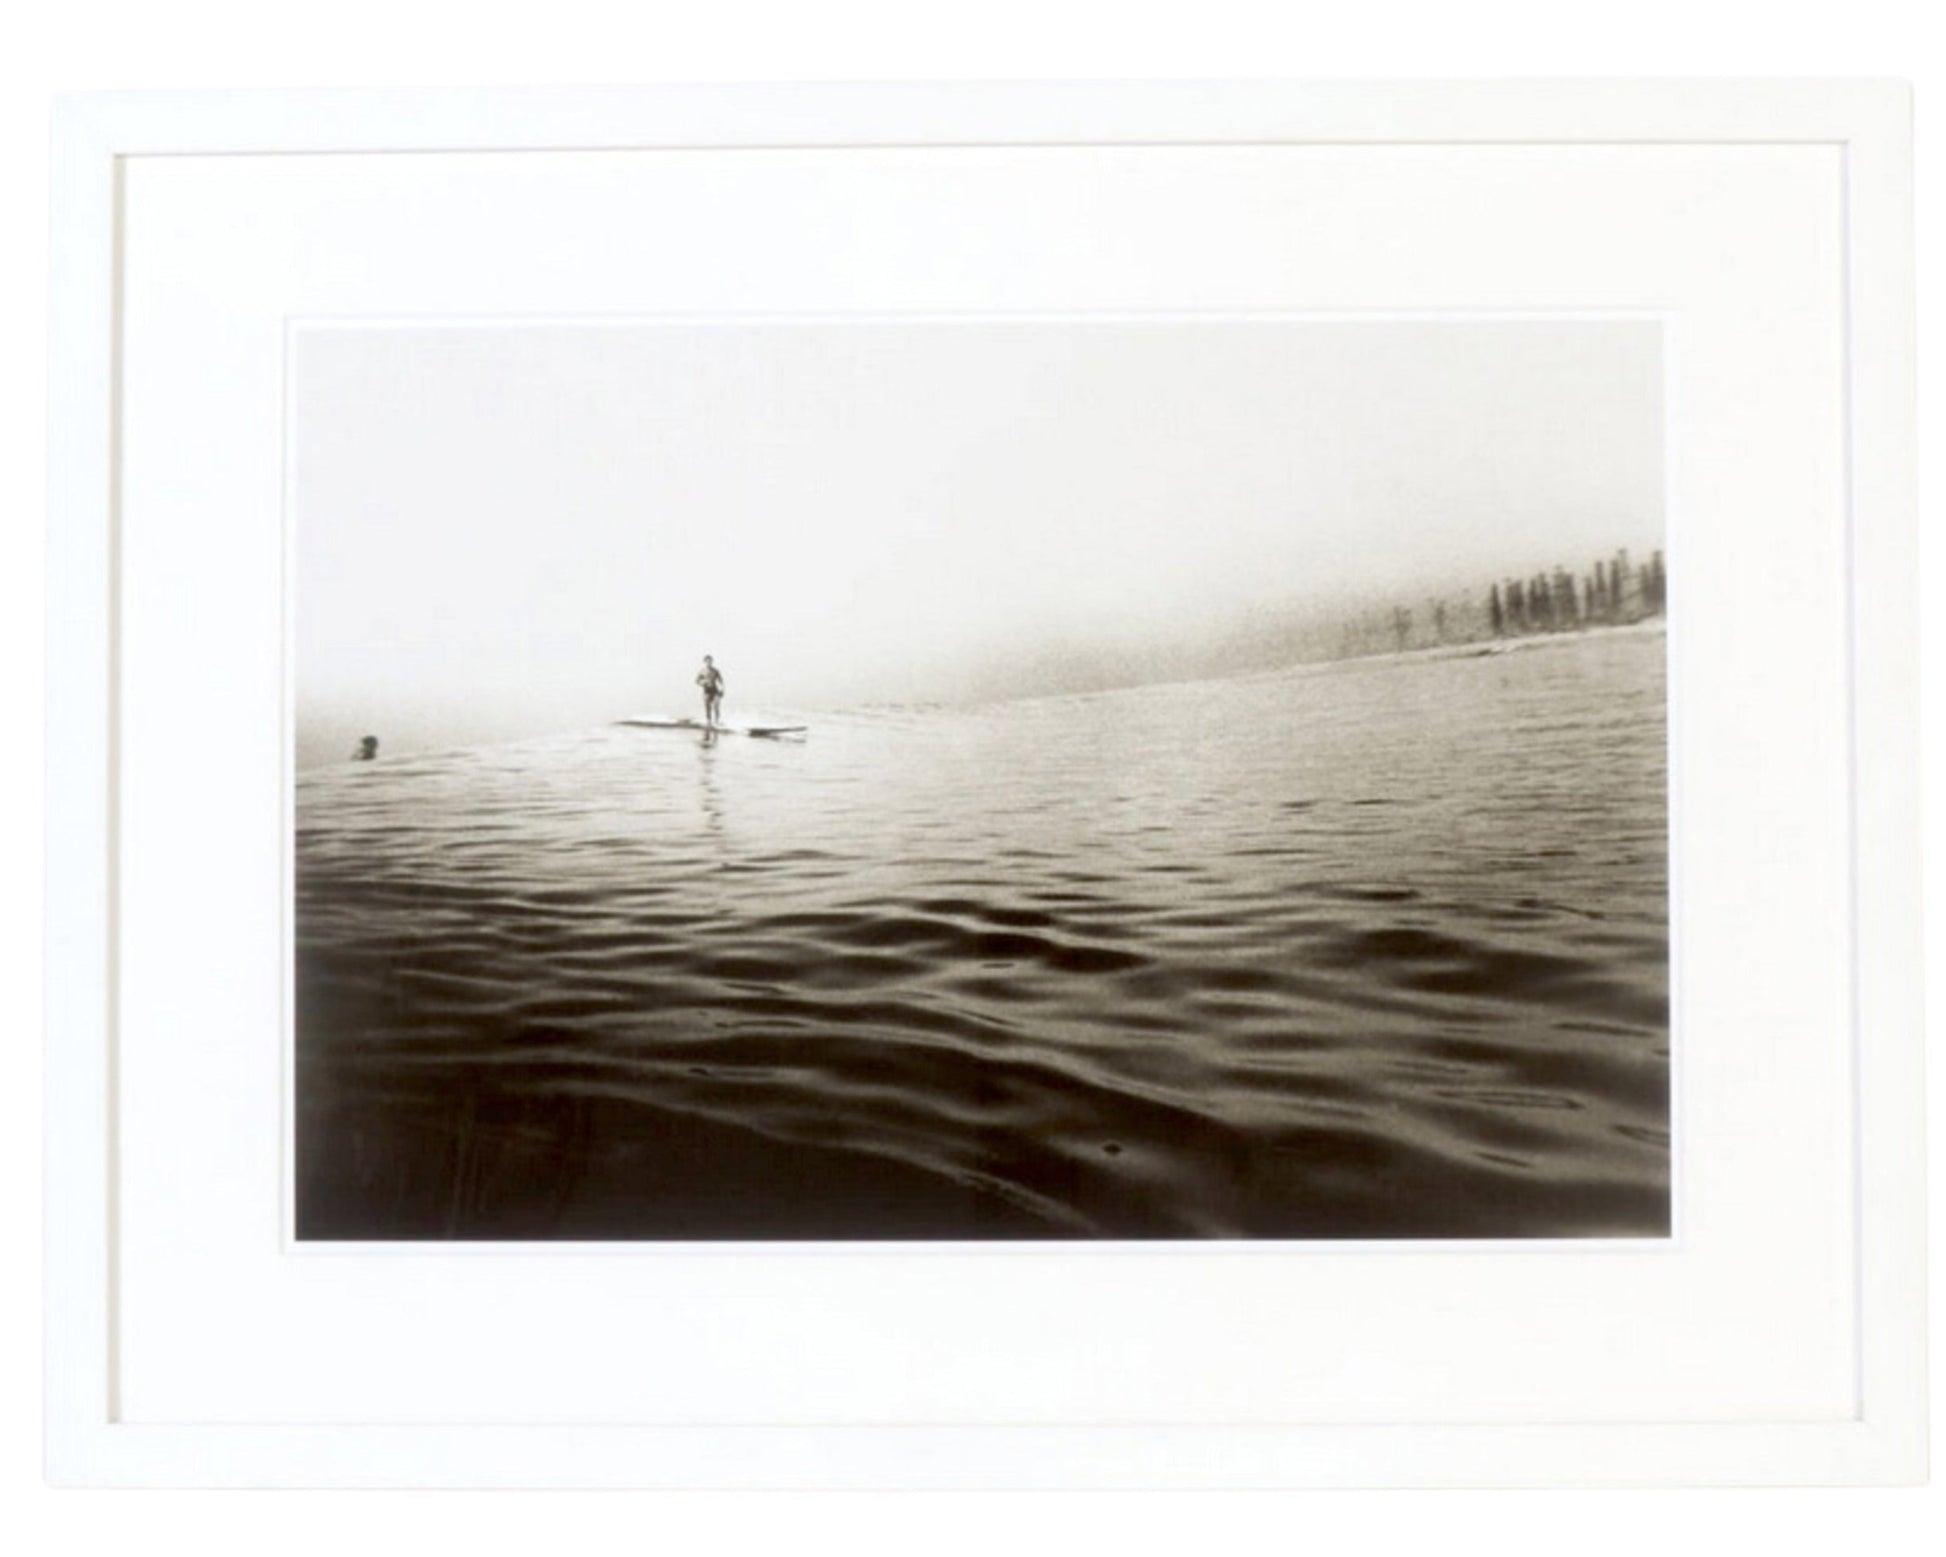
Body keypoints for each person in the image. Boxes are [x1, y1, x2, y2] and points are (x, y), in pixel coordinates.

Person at [696, 655, 725, 728]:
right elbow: (697, 681)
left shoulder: (715, 671)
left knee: (716, 706)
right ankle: (708, 721)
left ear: (712, 662)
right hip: (706, 691)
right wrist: (703, 682)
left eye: (710, 661)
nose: (709, 663)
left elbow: (721, 681)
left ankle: (717, 721)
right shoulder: (702, 671)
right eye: (707, 661)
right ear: (705, 662)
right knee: (707, 706)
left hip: (715, 690)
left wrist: (722, 690)